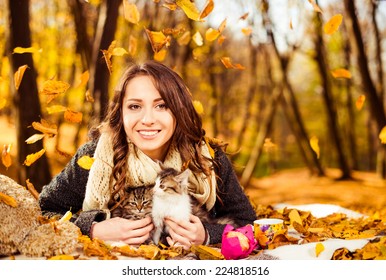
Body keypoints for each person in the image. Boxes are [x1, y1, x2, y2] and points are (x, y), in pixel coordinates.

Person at [39, 60, 257, 249]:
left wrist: (208, 234)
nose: (147, 119)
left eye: (161, 105)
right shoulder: (95, 157)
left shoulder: (207, 158)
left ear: (178, 110)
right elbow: (43, 211)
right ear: (121, 113)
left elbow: (248, 222)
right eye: (135, 107)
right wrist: (92, 229)